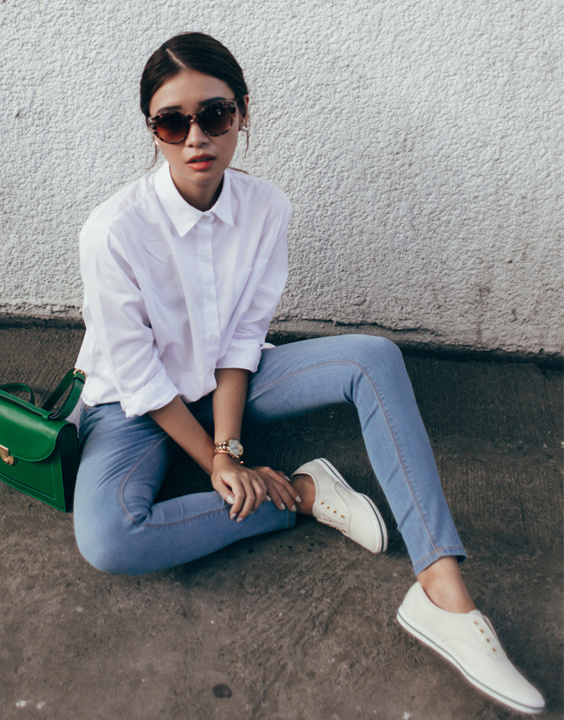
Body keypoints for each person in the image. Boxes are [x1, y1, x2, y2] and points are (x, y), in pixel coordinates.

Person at [73, 32, 545, 715]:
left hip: (228, 384)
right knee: (110, 538)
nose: (196, 136)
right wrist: (216, 463)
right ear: (152, 131)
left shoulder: (266, 208)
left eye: (216, 113)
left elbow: (242, 340)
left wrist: (229, 447)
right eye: (172, 122)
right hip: (137, 408)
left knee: (373, 356)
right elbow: (139, 375)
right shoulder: (113, 230)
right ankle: (299, 492)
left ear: (242, 114)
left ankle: (443, 591)